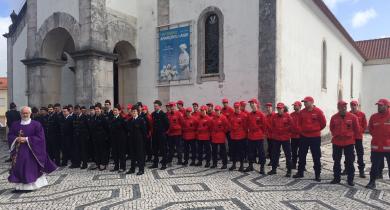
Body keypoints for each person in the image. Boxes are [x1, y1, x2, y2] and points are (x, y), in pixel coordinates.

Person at [8, 106, 57, 192]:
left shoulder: (36, 124)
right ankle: (19, 186)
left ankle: (30, 186)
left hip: (32, 150)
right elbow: (10, 135)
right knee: (18, 167)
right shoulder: (15, 124)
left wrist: (26, 139)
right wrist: (16, 138)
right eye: (23, 113)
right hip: (18, 150)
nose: (25, 115)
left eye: (27, 113)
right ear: (20, 114)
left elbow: (40, 137)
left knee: (28, 165)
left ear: (30, 114)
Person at [293, 96, 326, 182]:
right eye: (304, 102)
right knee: (301, 155)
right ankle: (300, 172)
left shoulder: (318, 112)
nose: (304, 103)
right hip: (304, 137)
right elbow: (299, 123)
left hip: (315, 137)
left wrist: (315, 130)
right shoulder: (302, 112)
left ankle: (317, 174)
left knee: (316, 156)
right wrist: (302, 131)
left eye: (306, 102)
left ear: (312, 102)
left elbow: (323, 123)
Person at [329, 101, 360, 186]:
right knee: (336, 161)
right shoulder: (334, 117)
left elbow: (357, 129)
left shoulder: (353, 117)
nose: (343, 108)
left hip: (349, 142)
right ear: (338, 108)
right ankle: (336, 178)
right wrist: (336, 134)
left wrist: (352, 137)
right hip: (337, 142)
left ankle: (350, 179)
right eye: (341, 107)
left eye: (345, 107)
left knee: (350, 161)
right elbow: (331, 128)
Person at [366, 99, 390, 189]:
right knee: (374, 166)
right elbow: (371, 129)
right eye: (378, 105)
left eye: (381, 105)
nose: (379, 107)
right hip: (376, 147)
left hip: (388, 147)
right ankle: (372, 182)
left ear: (387, 106)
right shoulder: (373, 117)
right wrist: (377, 137)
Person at [268, 103, 294, 177]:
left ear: (283, 109)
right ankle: (274, 169)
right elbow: (272, 126)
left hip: (285, 138)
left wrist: (285, 130)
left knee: (288, 155)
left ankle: (289, 171)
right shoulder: (275, 116)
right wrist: (275, 132)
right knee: (275, 154)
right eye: (278, 108)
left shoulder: (288, 116)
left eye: (280, 108)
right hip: (276, 138)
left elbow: (292, 126)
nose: (279, 110)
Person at [345, 100, 368, 178]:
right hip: (350, 137)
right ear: (350, 106)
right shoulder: (347, 114)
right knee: (348, 154)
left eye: (355, 105)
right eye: (352, 105)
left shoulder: (362, 114)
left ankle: (361, 171)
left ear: (357, 106)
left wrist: (360, 131)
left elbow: (365, 125)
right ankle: (347, 169)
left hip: (358, 137)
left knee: (360, 154)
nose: (353, 106)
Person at [245, 98, 267, 174]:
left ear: (256, 104)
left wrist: (261, 133)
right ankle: (250, 165)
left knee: (261, 153)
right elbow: (247, 125)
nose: (251, 105)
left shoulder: (261, 115)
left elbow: (264, 126)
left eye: (253, 103)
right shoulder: (249, 115)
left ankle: (262, 167)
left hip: (259, 137)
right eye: (250, 104)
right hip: (251, 136)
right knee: (250, 152)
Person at [127, 106, 148, 175]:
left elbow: (144, 131)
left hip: (139, 140)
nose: (134, 113)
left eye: (135, 111)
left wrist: (144, 141)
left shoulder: (141, 120)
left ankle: (141, 169)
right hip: (131, 140)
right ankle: (132, 169)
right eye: (132, 112)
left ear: (138, 112)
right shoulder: (130, 120)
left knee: (140, 155)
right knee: (132, 155)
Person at [150, 100, 170, 170]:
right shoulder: (153, 114)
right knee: (154, 149)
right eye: (154, 106)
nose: (155, 107)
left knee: (163, 150)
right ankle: (155, 163)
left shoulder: (163, 114)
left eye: (156, 106)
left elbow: (167, 124)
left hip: (161, 134)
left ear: (160, 106)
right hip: (155, 134)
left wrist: (163, 131)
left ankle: (164, 164)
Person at [90, 104, 110, 171]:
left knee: (103, 151)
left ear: (100, 110)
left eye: (98, 109)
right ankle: (98, 163)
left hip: (102, 138)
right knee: (96, 151)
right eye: (95, 109)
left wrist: (106, 137)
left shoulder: (103, 117)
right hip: (95, 138)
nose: (96, 110)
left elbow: (107, 128)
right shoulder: (93, 117)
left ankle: (103, 163)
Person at [229, 102, 247, 171]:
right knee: (233, 151)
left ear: (240, 107)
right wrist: (232, 129)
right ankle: (234, 164)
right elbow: (229, 124)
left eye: (238, 108)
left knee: (241, 152)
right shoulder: (232, 115)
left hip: (241, 137)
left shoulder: (244, 116)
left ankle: (241, 165)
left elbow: (245, 126)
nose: (236, 109)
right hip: (233, 136)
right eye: (235, 108)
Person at [109, 106, 127, 172]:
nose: (114, 111)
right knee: (115, 153)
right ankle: (116, 166)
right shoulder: (111, 118)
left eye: (116, 110)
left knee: (121, 154)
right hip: (114, 139)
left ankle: (123, 167)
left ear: (119, 111)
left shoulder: (122, 118)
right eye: (114, 110)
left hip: (121, 139)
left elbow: (126, 129)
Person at [72, 105, 90, 169]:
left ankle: (85, 164)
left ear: (80, 110)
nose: (76, 111)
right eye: (75, 110)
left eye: (77, 110)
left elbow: (88, 127)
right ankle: (77, 163)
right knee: (77, 150)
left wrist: (87, 136)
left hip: (83, 137)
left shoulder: (84, 117)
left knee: (83, 151)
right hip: (76, 137)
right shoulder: (74, 117)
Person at [290, 101, 302, 169]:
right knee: (294, 151)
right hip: (293, 136)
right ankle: (294, 164)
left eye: (295, 105)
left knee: (302, 152)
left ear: (300, 106)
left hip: (301, 136)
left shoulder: (303, 114)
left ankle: (302, 164)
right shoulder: (291, 115)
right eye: (294, 105)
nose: (294, 106)